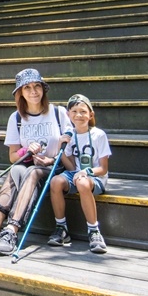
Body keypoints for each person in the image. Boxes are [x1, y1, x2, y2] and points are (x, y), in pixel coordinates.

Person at [0, 69, 73, 256]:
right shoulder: (16, 118)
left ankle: (12, 230)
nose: (33, 91)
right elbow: (13, 156)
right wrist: (26, 151)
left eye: (37, 86)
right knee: (15, 169)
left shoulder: (59, 113)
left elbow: (68, 151)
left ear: (43, 89)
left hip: (54, 168)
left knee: (32, 172)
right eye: (27, 87)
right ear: (20, 93)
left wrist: (50, 159)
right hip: (28, 166)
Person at [48, 93, 112, 254]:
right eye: (74, 111)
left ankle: (94, 230)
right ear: (68, 115)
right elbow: (71, 168)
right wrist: (61, 148)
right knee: (55, 181)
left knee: (82, 182)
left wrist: (86, 172)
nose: (79, 115)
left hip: (95, 176)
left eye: (83, 111)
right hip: (75, 175)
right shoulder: (70, 136)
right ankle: (61, 227)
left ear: (91, 115)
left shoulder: (99, 135)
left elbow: (103, 168)